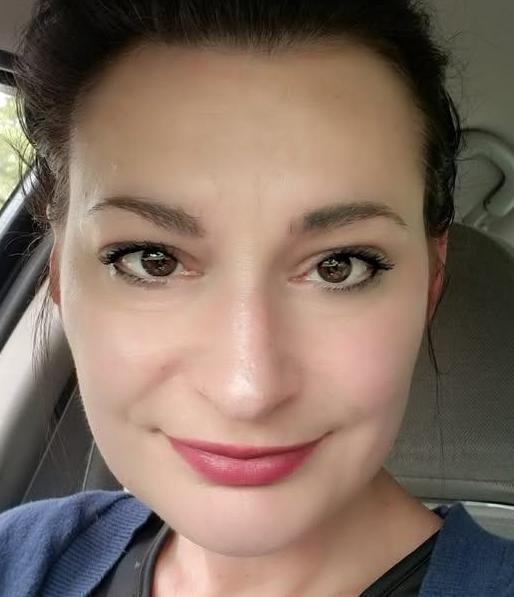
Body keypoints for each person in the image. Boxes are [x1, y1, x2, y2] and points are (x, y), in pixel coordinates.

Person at [1, 1, 514, 595]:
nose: (247, 391)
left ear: (431, 284)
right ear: (58, 276)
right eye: (152, 259)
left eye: (339, 267)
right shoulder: (18, 556)